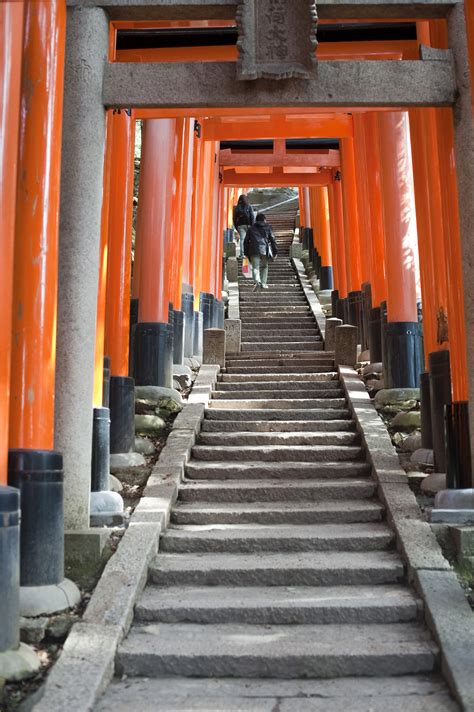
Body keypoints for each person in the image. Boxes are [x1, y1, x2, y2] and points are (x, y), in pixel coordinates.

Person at [243, 212, 278, 289]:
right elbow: (273, 240)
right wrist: (275, 252)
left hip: (253, 250)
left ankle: (257, 282)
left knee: (255, 267)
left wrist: (246, 253)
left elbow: (245, 241)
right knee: (264, 267)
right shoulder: (268, 227)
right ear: (264, 220)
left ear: (256, 220)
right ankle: (263, 283)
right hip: (264, 250)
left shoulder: (251, 228)